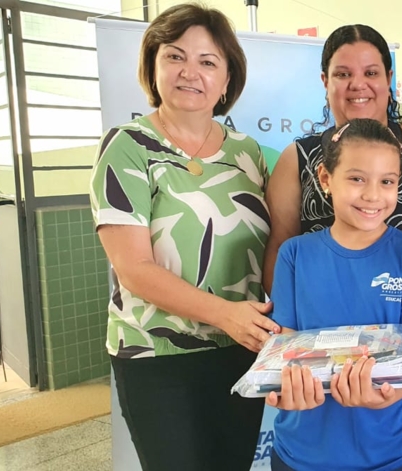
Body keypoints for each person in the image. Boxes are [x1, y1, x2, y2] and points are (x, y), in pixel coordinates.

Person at [89, 4, 279, 470]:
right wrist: (225, 315)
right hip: (158, 355)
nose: (189, 72)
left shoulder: (248, 153)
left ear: (228, 80)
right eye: (175, 57)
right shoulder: (128, 146)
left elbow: (283, 241)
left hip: (241, 350)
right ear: (153, 67)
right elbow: (134, 268)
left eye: (208, 61)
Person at [263, 24, 402, 441]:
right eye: (342, 73)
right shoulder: (298, 158)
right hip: (317, 352)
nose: (358, 84)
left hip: (401, 340)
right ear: (325, 81)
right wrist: (302, 343)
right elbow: (281, 247)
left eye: (372, 72)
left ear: (389, 79)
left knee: (394, 430)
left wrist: (400, 320)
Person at [265, 118, 402, 471]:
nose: (372, 195)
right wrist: (287, 387)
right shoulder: (294, 255)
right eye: (356, 178)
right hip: (304, 452)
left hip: (393, 450)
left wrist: (384, 397)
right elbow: (287, 347)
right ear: (325, 179)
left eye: (387, 182)